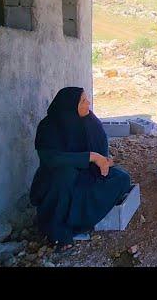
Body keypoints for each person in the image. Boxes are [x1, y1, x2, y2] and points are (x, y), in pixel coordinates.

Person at [30, 87, 132, 251]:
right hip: (57, 179)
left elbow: (101, 150)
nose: (88, 103)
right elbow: (51, 158)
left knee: (122, 178)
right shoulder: (48, 127)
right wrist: (90, 157)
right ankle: (58, 230)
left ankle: (79, 221)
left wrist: (104, 160)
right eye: (83, 101)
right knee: (66, 175)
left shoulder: (87, 120)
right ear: (70, 106)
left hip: (86, 173)